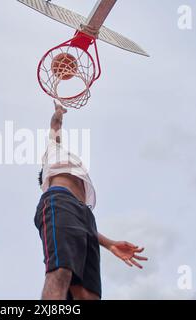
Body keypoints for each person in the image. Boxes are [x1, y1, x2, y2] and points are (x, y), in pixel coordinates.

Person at [34, 101, 148, 300]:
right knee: (61, 272)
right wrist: (59, 112)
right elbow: (55, 126)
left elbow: (83, 227)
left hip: (84, 213)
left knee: (88, 295)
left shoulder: (76, 175)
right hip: (59, 201)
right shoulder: (52, 152)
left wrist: (111, 244)